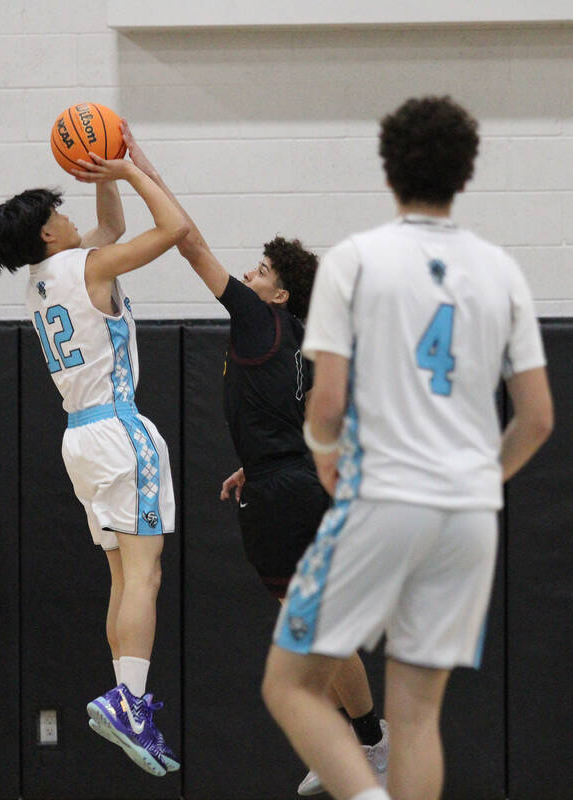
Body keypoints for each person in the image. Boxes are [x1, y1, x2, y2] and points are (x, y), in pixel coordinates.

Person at [259, 96, 554, 800]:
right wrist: (481, 480)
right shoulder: (501, 269)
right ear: (466, 172)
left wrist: (325, 455)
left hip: (386, 496)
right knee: (417, 714)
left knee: (290, 683)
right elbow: (538, 418)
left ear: (388, 169)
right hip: (470, 516)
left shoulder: (355, 261)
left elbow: (326, 404)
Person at [119, 122, 389, 796]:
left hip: (283, 497)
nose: (247, 274)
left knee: (305, 634)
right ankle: (365, 743)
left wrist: (135, 168)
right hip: (302, 484)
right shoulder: (307, 339)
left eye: (261, 271)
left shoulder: (257, 319)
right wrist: (268, 458)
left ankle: (359, 752)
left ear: (278, 294)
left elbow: (188, 239)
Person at [0, 151, 189, 775]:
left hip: (79, 440)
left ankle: (126, 694)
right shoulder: (88, 266)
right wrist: (129, 173)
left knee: (123, 578)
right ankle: (132, 701)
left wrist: (103, 183)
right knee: (143, 577)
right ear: (47, 231)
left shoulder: (41, 281)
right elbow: (173, 229)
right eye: (60, 212)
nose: (69, 217)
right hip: (121, 431)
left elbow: (111, 232)